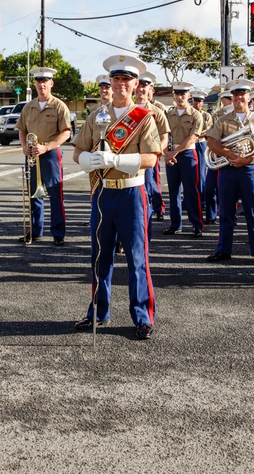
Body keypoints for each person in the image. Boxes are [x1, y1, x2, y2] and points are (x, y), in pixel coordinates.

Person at [72, 54, 161, 340]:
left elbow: (151, 158)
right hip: (102, 193)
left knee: (137, 259)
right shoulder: (97, 115)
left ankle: (143, 317)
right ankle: (99, 312)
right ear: (110, 82)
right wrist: (91, 160)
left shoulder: (144, 117)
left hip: (132, 193)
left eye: (126, 79)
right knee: (99, 257)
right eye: (116, 79)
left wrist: (116, 159)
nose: (121, 84)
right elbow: (77, 153)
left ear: (135, 84)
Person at [204, 78, 254, 266]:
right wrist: (227, 153)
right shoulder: (223, 120)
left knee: (253, 210)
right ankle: (223, 250)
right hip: (227, 169)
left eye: (242, 95)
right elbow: (211, 142)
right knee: (226, 211)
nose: (238, 98)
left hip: (249, 168)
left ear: (249, 97)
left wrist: (248, 159)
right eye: (235, 95)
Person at [16, 67, 72, 246]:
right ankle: (34, 231)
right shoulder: (28, 106)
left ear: (51, 83)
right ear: (35, 84)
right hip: (32, 154)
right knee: (33, 194)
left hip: (50, 154)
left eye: (45, 81)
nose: (42, 85)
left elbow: (66, 133)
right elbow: (22, 130)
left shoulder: (58, 106)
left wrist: (46, 147)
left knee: (55, 194)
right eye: (39, 81)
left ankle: (58, 233)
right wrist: (24, 146)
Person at [162, 82, 204, 237]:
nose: (180, 97)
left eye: (183, 94)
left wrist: (175, 152)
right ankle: (175, 224)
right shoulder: (168, 113)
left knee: (191, 190)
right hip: (171, 154)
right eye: (177, 94)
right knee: (173, 191)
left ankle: (197, 225)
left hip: (187, 154)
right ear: (173, 95)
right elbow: (163, 135)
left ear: (189, 96)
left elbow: (193, 137)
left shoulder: (195, 115)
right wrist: (166, 153)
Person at [135, 72, 170, 230]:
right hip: (124, 159)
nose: (141, 90)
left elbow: (164, 138)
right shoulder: (125, 109)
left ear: (150, 89)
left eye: (145, 87)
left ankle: (144, 225)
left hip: (147, 159)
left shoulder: (157, 112)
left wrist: (155, 154)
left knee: (148, 190)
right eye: (139, 86)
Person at [189, 89, 215, 224]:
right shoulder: (190, 113)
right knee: (191, 173)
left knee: (201, 172)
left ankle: (203, 200)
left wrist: (197, 134)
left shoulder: (206, 116)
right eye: (195, 101)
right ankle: (192, 199)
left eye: (200, 101)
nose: (197, 103)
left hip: (201, 143)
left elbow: (209, 129)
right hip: (190, 144)